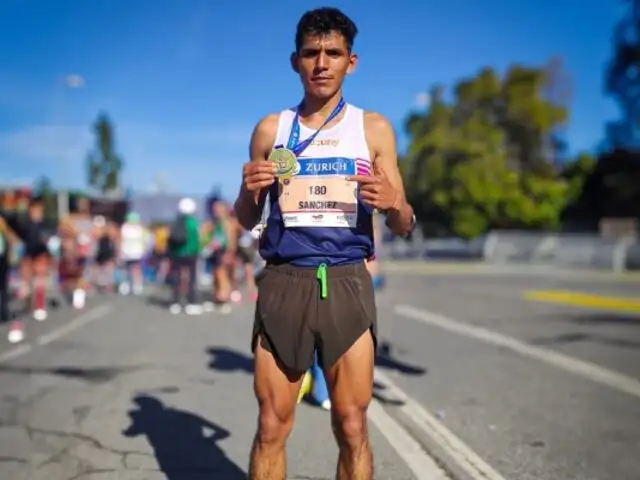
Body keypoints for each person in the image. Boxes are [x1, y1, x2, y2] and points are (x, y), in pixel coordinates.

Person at [233, 8, 415, 479]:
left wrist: (394, 202)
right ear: (295, 61)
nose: (321, 63)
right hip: (284, 282)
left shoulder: (372, 129)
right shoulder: (271, 130)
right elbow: (248, 216)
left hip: (347, 280)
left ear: (350, 62)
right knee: (271, 424)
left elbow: (404, 222)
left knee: (352, 424)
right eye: (312, 53)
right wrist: (247, 188)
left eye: (332, 53)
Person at [167, 198, 201, 315]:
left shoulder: (175, 222)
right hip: (191, 253)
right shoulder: (193, 223)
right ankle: (191, 303)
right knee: (191, 278)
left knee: (177, 277)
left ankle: (175, 302)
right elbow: (196, 240)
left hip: (177, 253)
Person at [118, 212, 148, 295]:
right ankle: (137, 286)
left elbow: (121, 240)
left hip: (126, 252)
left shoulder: (124, 227)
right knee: (136, 269)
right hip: (137, 252)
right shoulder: (141, 228)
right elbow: (145, 241)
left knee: (125, 270)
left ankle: (125, 286)